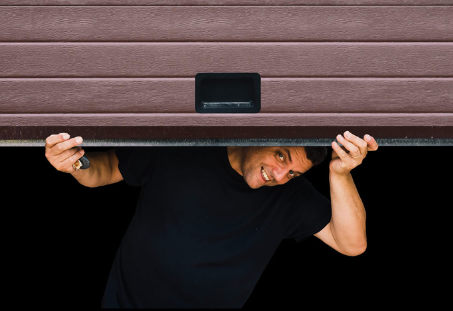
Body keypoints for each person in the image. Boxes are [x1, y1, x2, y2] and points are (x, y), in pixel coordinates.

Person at [45, 131, 378, 308]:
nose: (279, 174)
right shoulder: (186, 146)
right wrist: (75, 163)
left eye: (292, 172)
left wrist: (340, 173)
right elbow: (101, 172)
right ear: (261, 134)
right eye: (281, 156)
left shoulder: (291, 195)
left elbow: (352, 244)